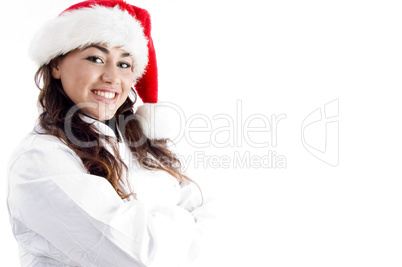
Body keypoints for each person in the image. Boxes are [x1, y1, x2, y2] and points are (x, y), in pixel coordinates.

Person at [7, 1, 211, 266]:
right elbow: (141, 256)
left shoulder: (140, 143)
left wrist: (160, 229)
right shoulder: (40, 158)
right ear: (56, 64)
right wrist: (185, 220)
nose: (113, 77)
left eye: (125, 64)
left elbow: (217, 216)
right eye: (96, 59)